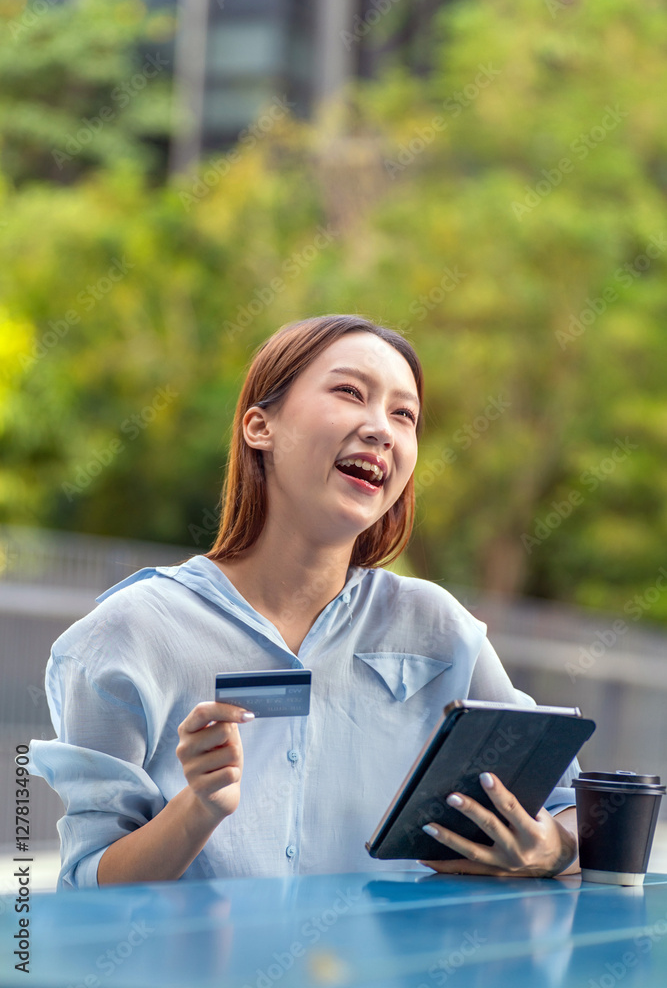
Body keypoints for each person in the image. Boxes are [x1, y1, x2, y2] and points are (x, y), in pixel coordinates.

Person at [30, 314, 579, 889]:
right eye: (350, 392)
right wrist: (197, 809)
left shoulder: (438, 627)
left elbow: (576, 808)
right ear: (258, 427)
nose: (381, 429)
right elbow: (86, 886)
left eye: (404, 414)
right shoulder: (125, 634)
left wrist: (546, 849)